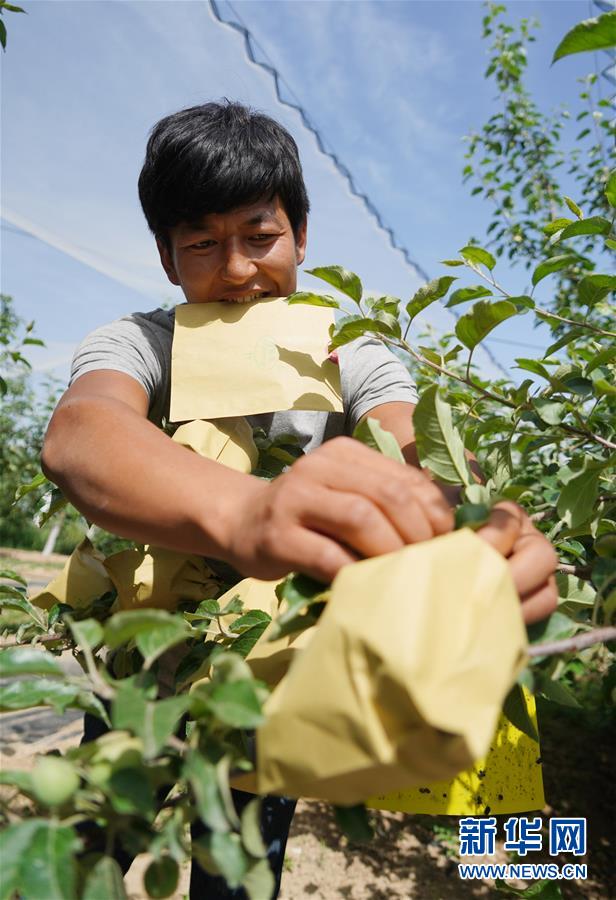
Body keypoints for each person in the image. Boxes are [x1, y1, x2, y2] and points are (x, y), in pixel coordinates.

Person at [41, 100, 557, 898]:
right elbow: (82, 431)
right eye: (204, 243)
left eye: (261, 235)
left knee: (239, 870)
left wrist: (473, 526)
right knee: (94, 842)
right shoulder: (144, 342)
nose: (239, 268)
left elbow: (414, 443)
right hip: (137, 670)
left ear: (302, 236)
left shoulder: (350, 353)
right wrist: (248, 511)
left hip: (267, 676)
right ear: (167, 256)